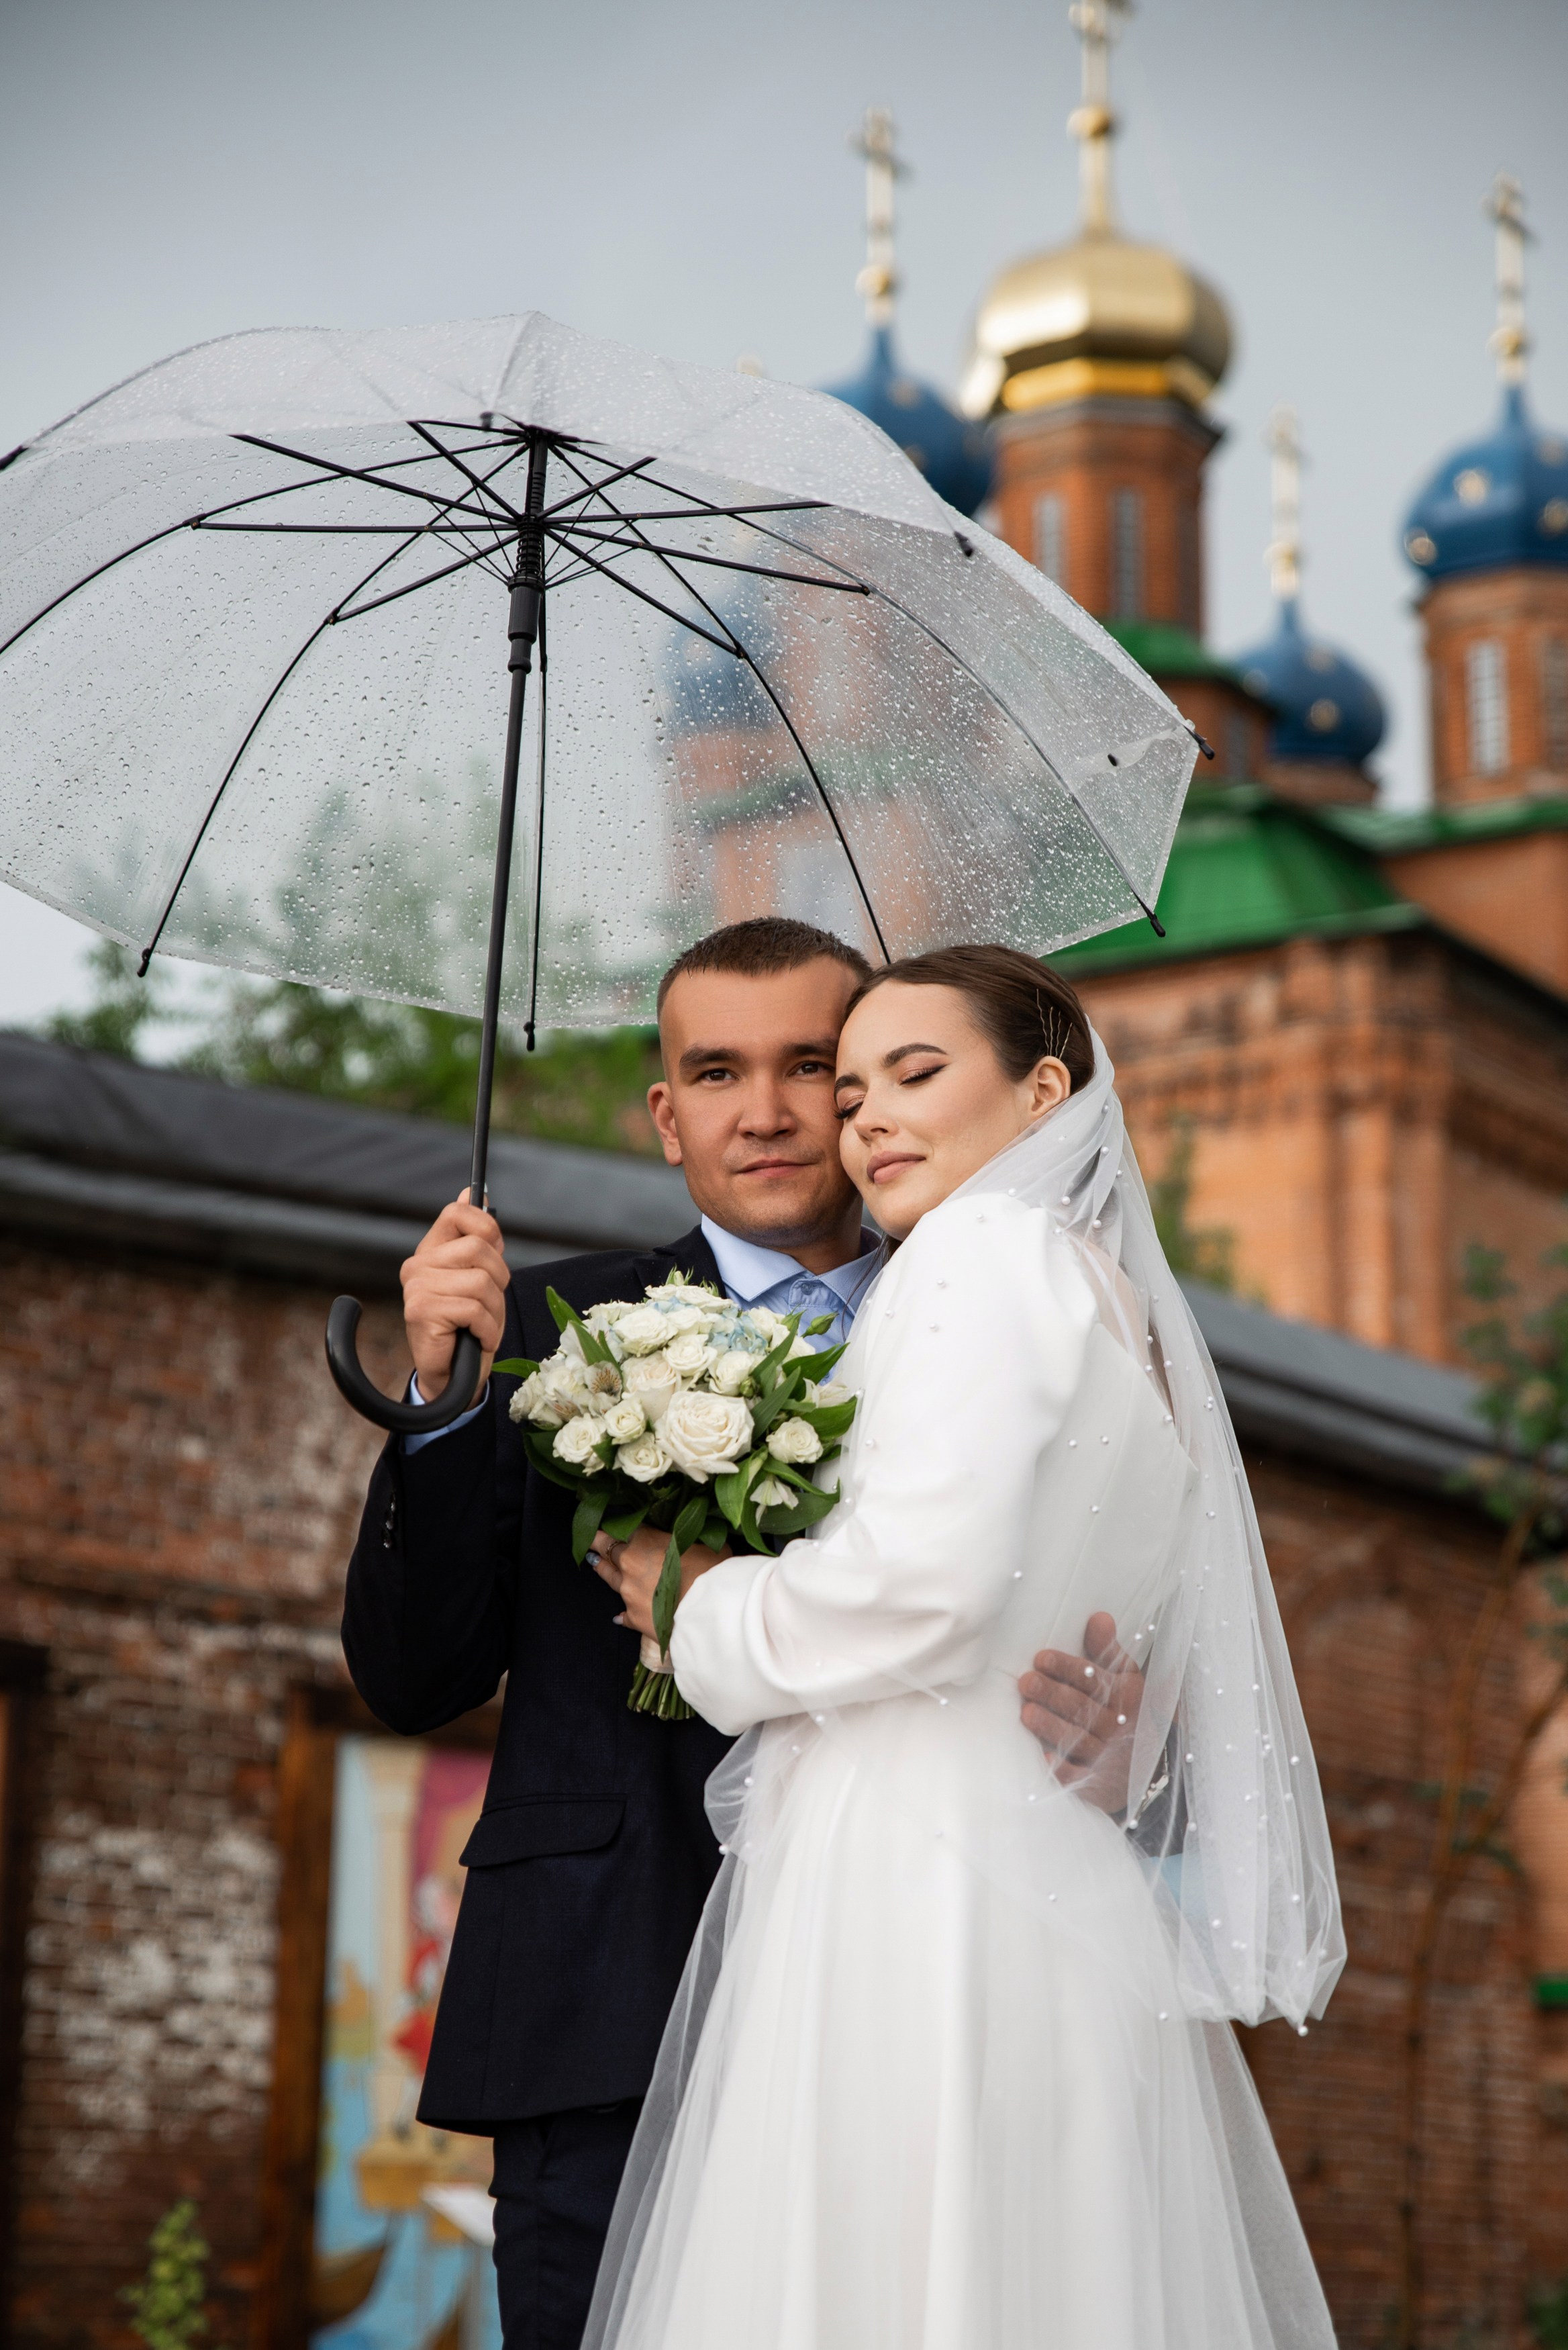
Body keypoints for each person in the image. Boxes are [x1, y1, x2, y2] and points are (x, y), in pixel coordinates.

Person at [340, 919, 1143, 2350]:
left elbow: (1125, 1619)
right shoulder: (546, 1323)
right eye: (715, 1071)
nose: (765, 1112)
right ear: (665, 1112)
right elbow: (413, 1677)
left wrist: (1134, 1738)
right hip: (604, 2005)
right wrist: (443, 1395)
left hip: (926, 1996)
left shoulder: (994, 1303)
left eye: (811, 1068)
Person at [581, 943, 1345, 2350]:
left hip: (920, 1878)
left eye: (915, 1075)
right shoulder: (1112, 1304)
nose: (862, 1115)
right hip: (1046, 1874)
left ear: (1045, 1091)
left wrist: (698, 1606)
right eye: (853, 1084)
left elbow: (920, 1590)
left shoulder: (978, 1257)